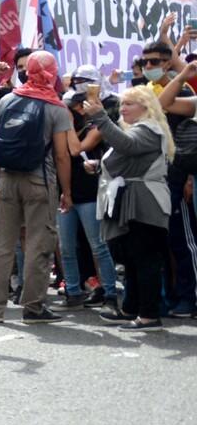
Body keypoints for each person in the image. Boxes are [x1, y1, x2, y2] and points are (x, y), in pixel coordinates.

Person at [0, 50, 72, 324]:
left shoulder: (7, 100)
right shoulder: (56, 107)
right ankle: (33, 307)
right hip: (40, 181)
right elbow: (61, 155)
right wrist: (67, 191)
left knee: (2, 246)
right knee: (37, 245)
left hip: (6, 179)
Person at [90, 85, 177, 330]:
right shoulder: (142, 129)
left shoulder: (149, 129)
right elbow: (128, 156)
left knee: (145, 259)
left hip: (146, 202)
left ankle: (149, 315)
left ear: (146, 107)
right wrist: (98, 165)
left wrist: (100, 118)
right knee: (132, 259)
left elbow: (128, 145)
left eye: (129, 104)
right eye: (123, 103)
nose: (123, 108)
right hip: (134, 200)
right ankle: (131, 308)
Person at [147, 34, 197, 319]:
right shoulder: (152, 91)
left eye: (155, 62)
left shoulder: (188, 92)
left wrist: (189, 176)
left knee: (184, 240)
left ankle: (189, 297)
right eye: (146, 62)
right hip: (159, 177)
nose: (149, 66)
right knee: (164, 242)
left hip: (182, 176)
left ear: (169, 64)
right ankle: (172, 295)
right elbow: (161, 106)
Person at [59, 86, 121, 309]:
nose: (69, 111)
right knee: (66, 247)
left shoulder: (96, 127)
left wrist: (65, 126)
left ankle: (110, 293)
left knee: (99, 246)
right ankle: (73, 292)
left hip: (89, 194)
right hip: (65, 194)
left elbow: (75, 150)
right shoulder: (65, 128)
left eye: (72, 108)